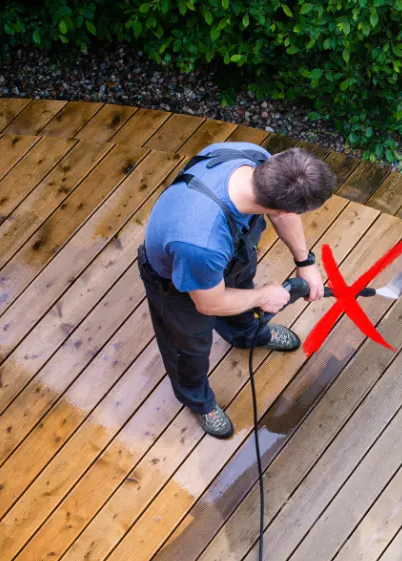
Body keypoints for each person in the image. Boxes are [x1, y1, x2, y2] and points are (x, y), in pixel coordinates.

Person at [137, 142, 336, 438]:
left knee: (243, 297)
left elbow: (283, 214)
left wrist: (304, 261)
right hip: (179, 285)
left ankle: (246, 335)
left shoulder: (258, 160)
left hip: (230, 257)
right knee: (189, 348)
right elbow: (209, 303)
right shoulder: (201, 242)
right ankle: (197, 399)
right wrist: (262, 297)